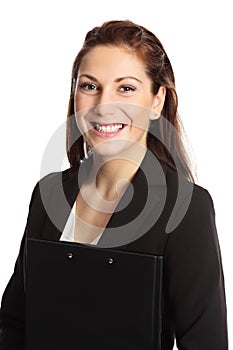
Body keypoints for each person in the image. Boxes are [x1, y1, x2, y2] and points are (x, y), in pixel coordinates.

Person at [0, 20, 228, 349]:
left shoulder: (186, 208)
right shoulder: (49, 194)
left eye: (126, 88)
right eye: (90, 86)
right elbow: (14, 320)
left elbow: (206, 342)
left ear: (156, 101)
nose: (104, 105)